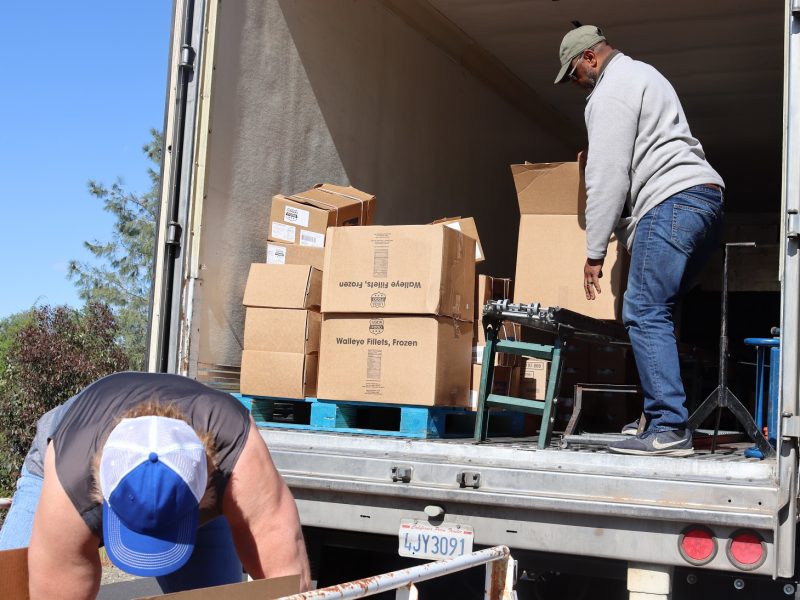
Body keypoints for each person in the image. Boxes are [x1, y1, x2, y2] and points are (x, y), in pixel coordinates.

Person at [554, 25, 724, 456]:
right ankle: (656, 416)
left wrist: (595, 251)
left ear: (590, 57)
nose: (576, 83)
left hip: (671, 200)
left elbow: (607, 174)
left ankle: (668, 425)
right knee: (659, 307)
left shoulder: (610, 91)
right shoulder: (646, 74)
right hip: (704, 199)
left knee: (644, 309)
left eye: (574, 73)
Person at [0, 371, 311, 598]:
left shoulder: (238, 455)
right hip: (65, 461)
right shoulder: (71, 482)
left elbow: (287, 586)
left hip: (200, 491)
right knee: (11, 589)